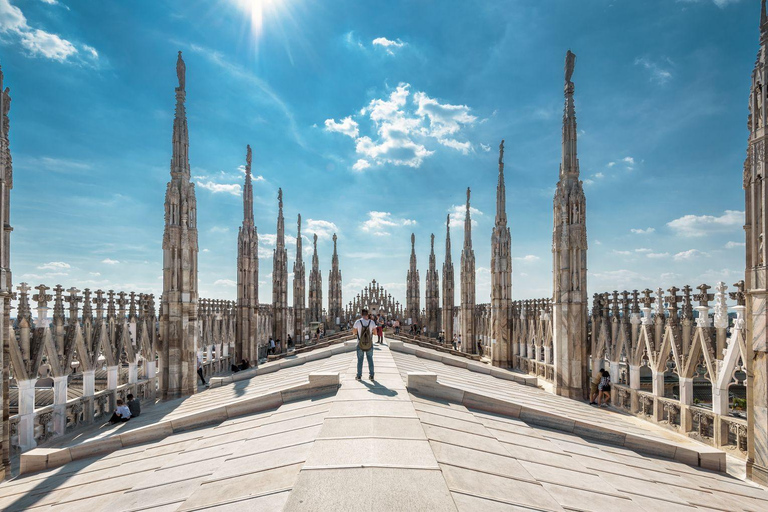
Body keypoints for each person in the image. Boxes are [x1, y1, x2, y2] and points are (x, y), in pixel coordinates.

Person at [353, 308, 375, 381]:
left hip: (360, 343)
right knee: (370, 359)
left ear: (361, 314)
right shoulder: (371, 322)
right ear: (367, 314)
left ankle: (359, 376)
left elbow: (354, 332)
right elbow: (375, 333)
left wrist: (359, 333)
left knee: (360, 360)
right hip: (369, 344)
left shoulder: (358, 322)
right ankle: (371, 375)